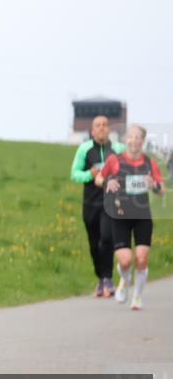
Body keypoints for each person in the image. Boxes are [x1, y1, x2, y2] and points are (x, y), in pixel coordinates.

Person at [95, 125, 165, 311]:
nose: (134, 140)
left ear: (142, 141)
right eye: (130, 137)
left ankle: (137, 296)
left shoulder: (150, 164)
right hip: (120, 215)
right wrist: (107, 182)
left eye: (138, 137)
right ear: (125, 140)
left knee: (141, 258)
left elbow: (162, 190)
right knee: (125, 261)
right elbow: (98, 178)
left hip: (142, 216)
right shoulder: (114, 160)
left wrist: (154, 185)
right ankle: (125, 282)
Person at [70, 116, 125, 297]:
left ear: (109, 129)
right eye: (98, 125)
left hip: (110, 203)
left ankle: (108, 279)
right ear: (92, 131)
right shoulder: (84, 149)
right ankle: (100, 279)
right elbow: (74, 174)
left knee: (106, 238)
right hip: (90, 204)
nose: (101, 128)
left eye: (104, 125)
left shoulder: (117, 149)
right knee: (94, 244)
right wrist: (90, 174)